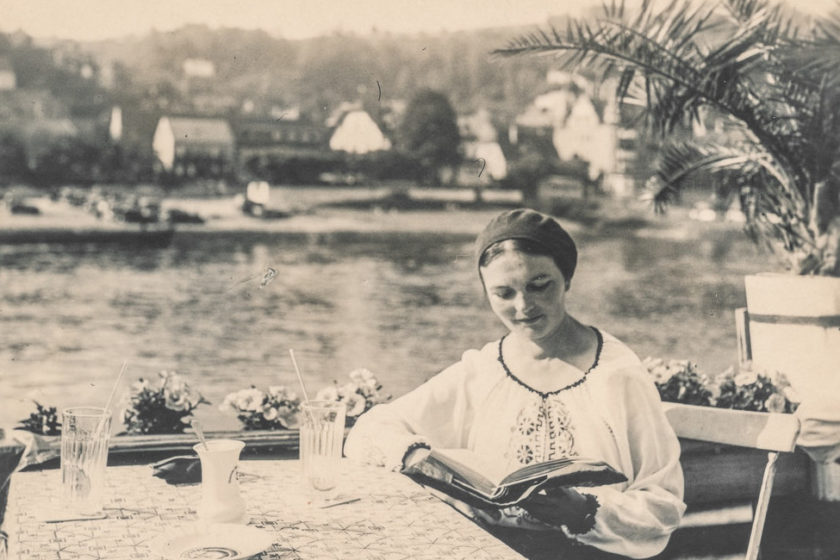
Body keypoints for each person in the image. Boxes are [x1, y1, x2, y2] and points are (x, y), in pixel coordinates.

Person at [344, 208, 685, 559]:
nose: (524, 306)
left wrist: (585, 510)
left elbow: (663, 505)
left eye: (540, 286)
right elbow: (369, 430)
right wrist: (417, 456)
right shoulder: (483, 370)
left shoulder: (617, 375)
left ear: (567, 279)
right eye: (503, 293)